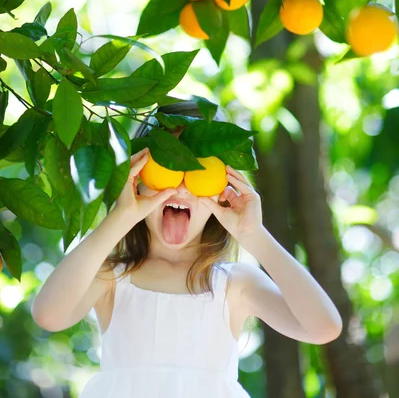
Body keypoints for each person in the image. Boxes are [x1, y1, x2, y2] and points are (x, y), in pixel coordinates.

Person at [31, 100, 343, 398]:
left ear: (223, 186)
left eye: (197, 170)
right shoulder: (112, 277)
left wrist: (256, 236)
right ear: (137, 177)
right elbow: (49, 315)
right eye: (166, 164)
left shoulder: (234, 284)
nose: (180, 186)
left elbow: (323, 327)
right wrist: (119, 218)